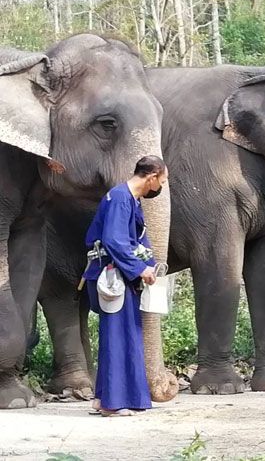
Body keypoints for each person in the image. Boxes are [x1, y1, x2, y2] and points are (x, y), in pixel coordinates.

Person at [84, 155, 168, 417]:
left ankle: (103, 398)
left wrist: (150, 265)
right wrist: (139, 269)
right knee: (118, 335)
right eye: (162, 180)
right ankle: (113, 402)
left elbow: (135, 241)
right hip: (113, 276)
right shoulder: (120, 197)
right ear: (152, 177)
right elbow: (114, 240)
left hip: (122, 275)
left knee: (121, 333)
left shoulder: (130, 199)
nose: (162, 186)